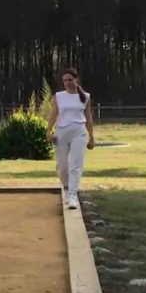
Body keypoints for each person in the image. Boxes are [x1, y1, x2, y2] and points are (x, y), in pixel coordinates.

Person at [46, 68, 95, 210]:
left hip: (79, 132)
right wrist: (49, 131)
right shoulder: (59, 96)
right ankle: (67, 187)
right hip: (62, 132)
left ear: (76, 80)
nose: (67, 82)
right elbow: (53, 114)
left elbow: (88, 117)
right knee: (62, 166)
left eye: (70, 80)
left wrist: (91, 136)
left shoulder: (85, 97)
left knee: (75, 165)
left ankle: (73, 195)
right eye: (65, 80)